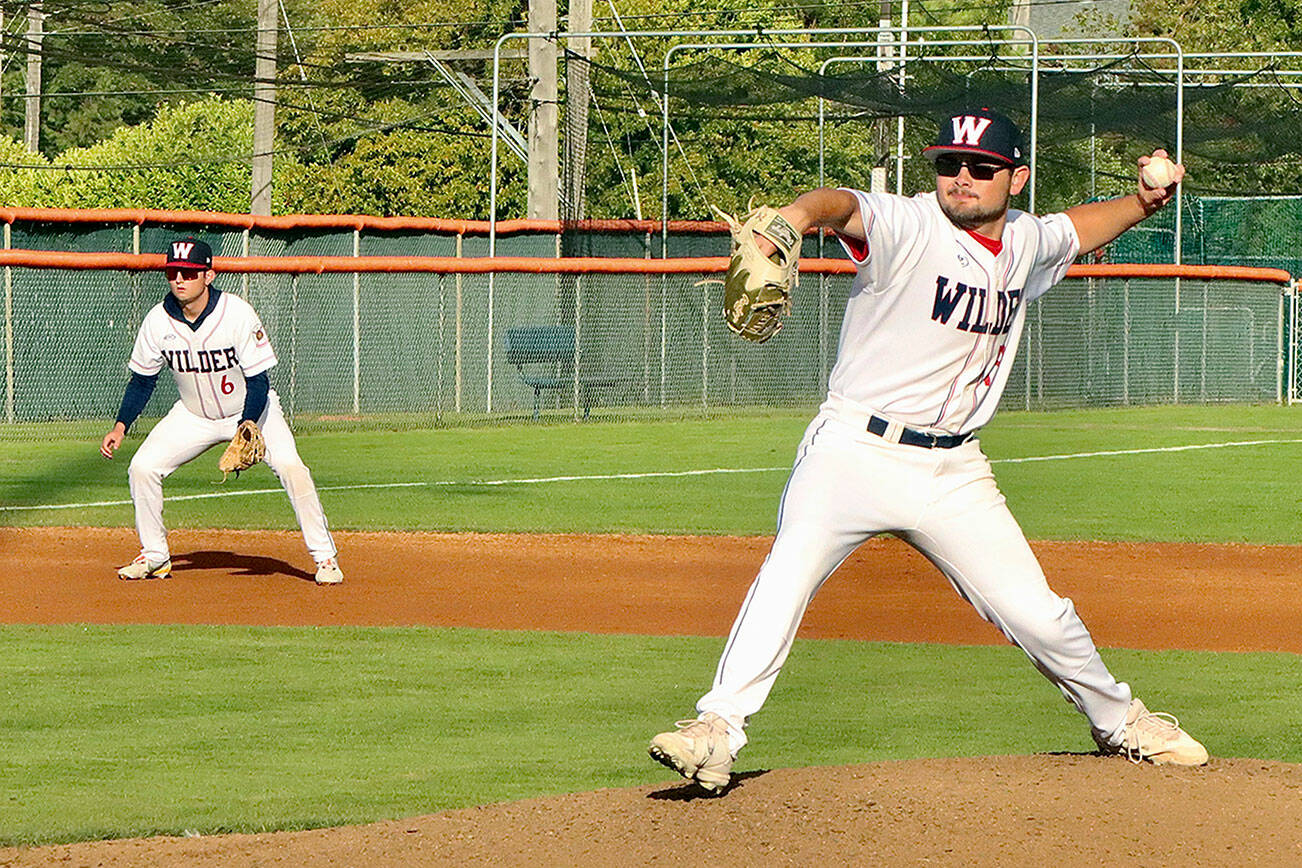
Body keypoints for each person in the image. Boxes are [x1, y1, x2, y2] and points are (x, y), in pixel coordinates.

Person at [648, 108, 1207, 794]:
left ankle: (1120, 721)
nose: (962, 178)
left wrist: (1145, 203)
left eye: (981, 167)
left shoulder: (1027, 241)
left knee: (1039, 613)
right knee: (785, 577)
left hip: (952, 470)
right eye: (949, 164)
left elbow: (1080, 228)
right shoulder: (911, 224)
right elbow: (842, 205)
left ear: (1016, 177)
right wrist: (794, 215)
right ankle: (715, 730)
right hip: (853, 448)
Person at [100, 236, 343, 586]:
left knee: (292, 468)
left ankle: (325, 558)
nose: (179, 279)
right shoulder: (157, 321)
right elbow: (142, 381)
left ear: (208, 275)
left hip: (251, 412)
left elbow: (258, 380)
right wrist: (121, 426)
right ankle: (155, 556)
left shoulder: (236, 313)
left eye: (189, 272)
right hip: (192, 415)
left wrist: (248, 423)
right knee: (142, 468)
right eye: (173, 272)